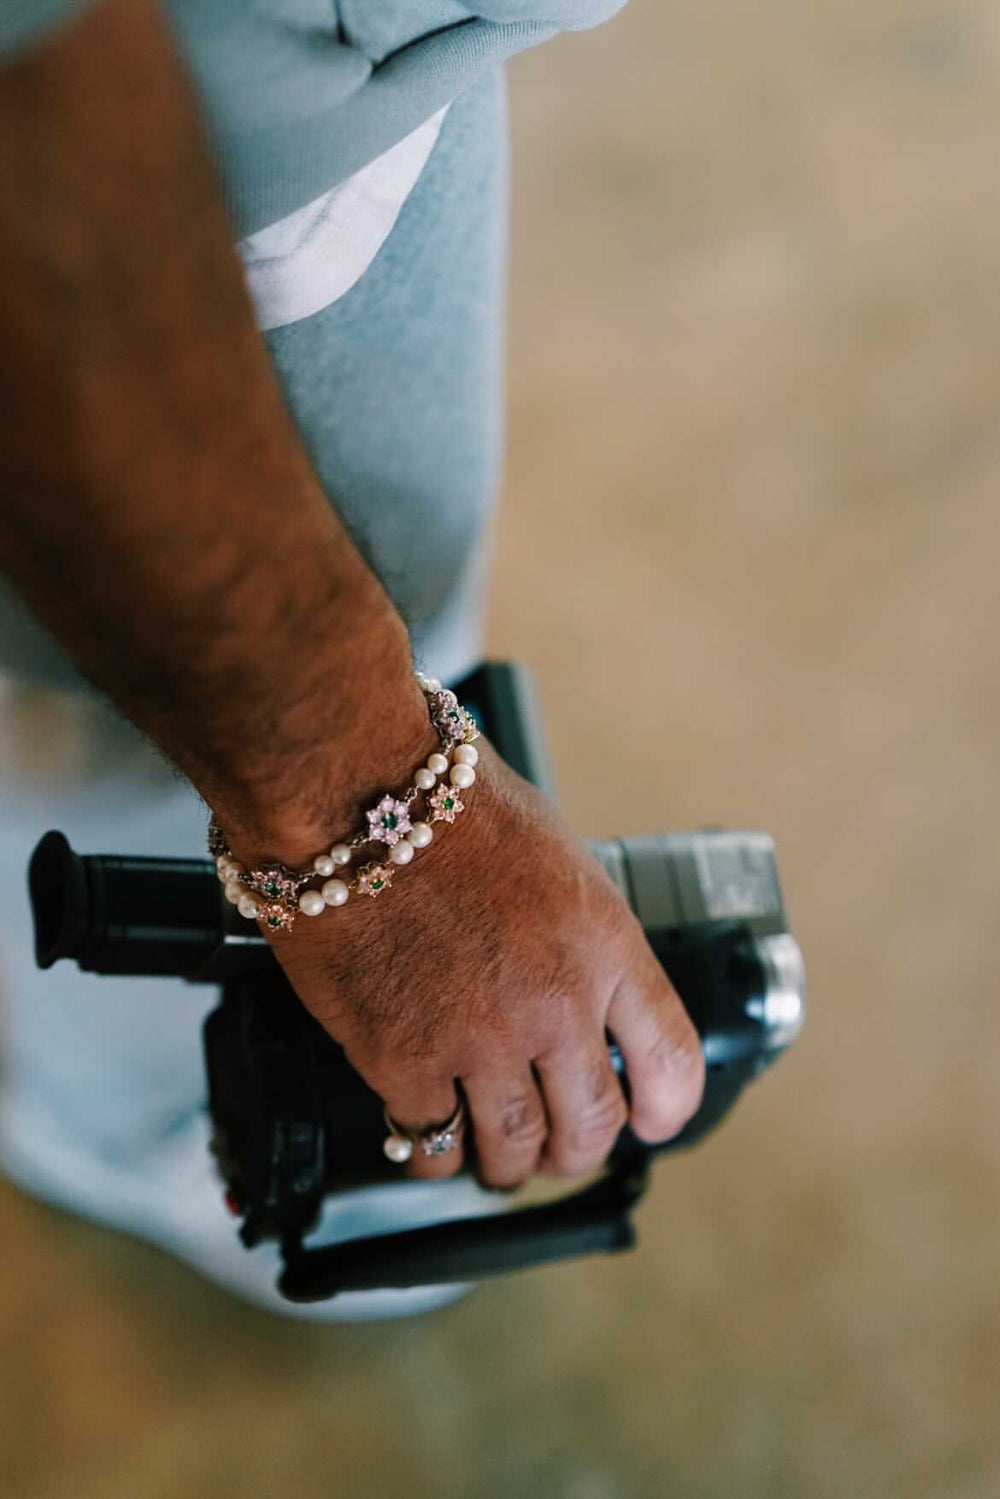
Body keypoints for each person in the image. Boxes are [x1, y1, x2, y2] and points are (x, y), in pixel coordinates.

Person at [0, 0, 704, 1319]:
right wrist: (366, 823)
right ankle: (130, 1114)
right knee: (150, 718)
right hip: (205, 190)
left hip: (330, 84)